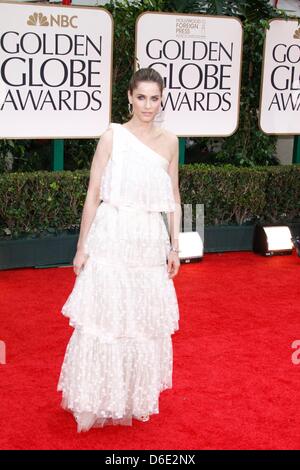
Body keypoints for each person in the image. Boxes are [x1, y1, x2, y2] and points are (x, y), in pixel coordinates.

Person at [57, 67, 181, 432]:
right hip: (112, 236)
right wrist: (82, 247)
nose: (147, 105)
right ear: (129, 96)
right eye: (140, 97)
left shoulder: (170, 141)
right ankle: (94, 398)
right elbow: (93, 195)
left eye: (154, 98)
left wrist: (176, 245)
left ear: (162, 100)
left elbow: (173, 197)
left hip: (147, 240)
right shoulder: (112, 136)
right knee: (106, 322)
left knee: (139, 323)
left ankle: (126, 396)